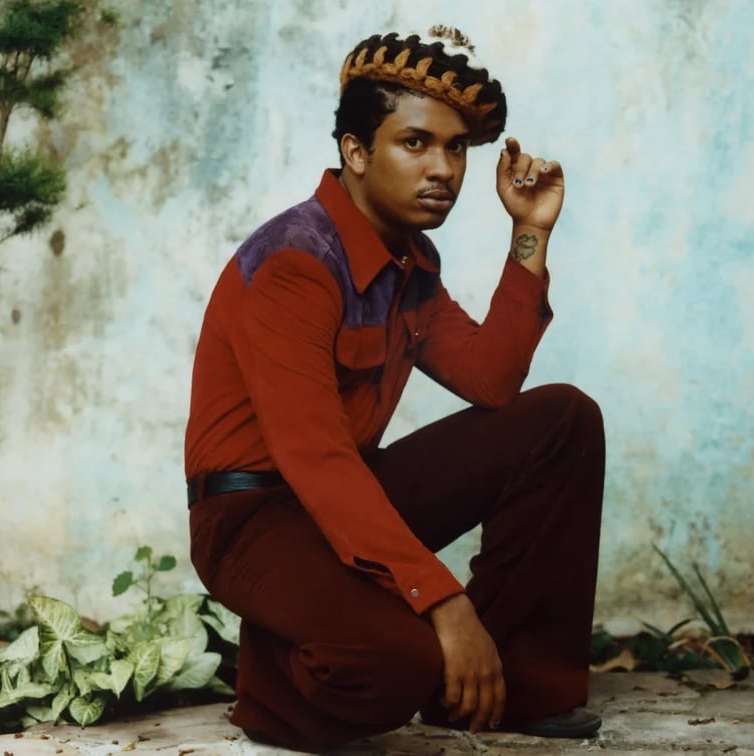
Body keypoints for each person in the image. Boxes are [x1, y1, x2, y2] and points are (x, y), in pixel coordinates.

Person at [184, 26, 605, 753]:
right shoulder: (295, 262)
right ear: (356, 151)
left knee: (561, 420)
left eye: (456, 149)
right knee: (397, 665)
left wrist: (529, 233)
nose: (443, 168)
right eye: (415, 143)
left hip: (347, 500)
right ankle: (271, 681)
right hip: (254, 519)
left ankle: (508, 687)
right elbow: (316, 459)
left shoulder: (409, 262)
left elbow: (490, 379)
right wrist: (443, 603)